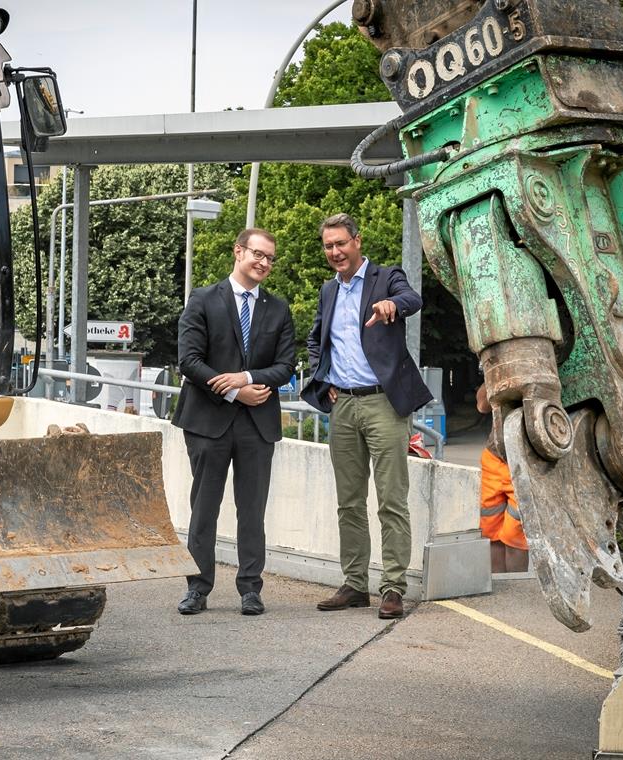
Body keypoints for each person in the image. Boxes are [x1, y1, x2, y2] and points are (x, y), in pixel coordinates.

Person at [301, 213, 432, 620]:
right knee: (349, 503)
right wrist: (325, 382)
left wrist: (392, 304)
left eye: (341, 243)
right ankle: (355, 584)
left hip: (382, 404)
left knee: (392, 500)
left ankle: (392, 588)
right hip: (343, 407)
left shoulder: (385, 276)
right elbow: (315, 339)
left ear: (357, 241)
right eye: (328, 246)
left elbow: (413, 299)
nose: (335, 252)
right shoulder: (327, 291)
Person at [173, 228, 296, 616]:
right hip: (208, 420)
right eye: (257, 254)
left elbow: (285, 366)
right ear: (238, 251)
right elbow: (189, 361)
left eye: (270, 258)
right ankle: (197, 588)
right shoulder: (204, 300)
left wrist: (246, 379)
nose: (264, 263)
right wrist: (230, 392)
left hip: (257, 424)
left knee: (252, 510)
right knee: (204, 508)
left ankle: (250, 589)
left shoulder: (278, 309)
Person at [475, 384, 528, 572]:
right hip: (494, 458)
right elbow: (482, 404)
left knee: (516, 537)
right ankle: (498, 590)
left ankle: (515, 595)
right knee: (490, 532)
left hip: (525, 462)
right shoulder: (503, 371)